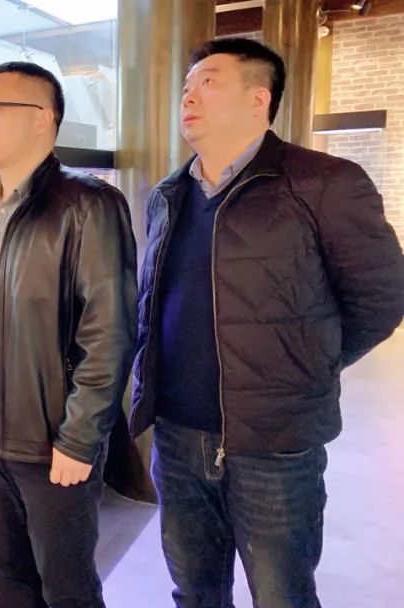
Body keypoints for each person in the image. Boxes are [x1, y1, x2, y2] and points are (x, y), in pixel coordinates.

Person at [130, 38, 404, 608]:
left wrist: (308, 362)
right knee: (194, 591)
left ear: (259, 99)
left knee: (282, 595)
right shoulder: (168, 195)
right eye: (186, 87)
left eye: (208, 83)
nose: (189, 97)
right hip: (177, 438)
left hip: (275, 444)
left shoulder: (323, 182)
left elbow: (381, 298)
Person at [0, 62, 138, 608]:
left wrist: (80, 437)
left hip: (50, 430)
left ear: (42, 119)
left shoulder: (87, 205)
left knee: (67, 587)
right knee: (11, 577)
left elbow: (110, 333)